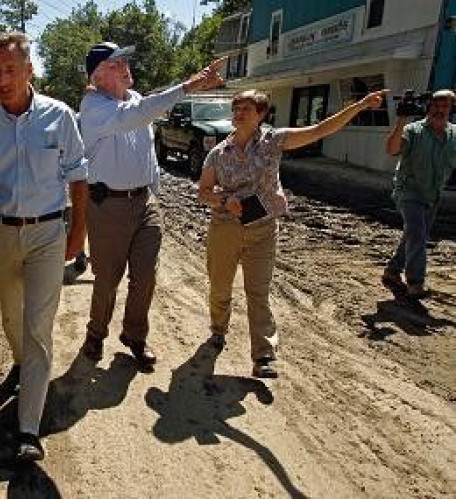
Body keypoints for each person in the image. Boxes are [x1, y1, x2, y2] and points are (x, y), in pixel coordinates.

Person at [198, 88, 386, 378]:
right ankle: (218, 329)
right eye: (236, 108)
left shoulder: (274, 141)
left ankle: (263, 355)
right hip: (225, 229)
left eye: (246, 109)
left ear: (261, 115)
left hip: (263, 230)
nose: (238, 113)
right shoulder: (217, 153)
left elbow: (320, 129)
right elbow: (203, 193)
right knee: (220, 287)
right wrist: (225, 200)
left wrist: (358, 107)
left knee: (258, 293)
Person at [0, 31, 87, 461]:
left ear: (29, 70)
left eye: (11, 70)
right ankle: (21, 364)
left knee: (38, 327)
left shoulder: (59, 116)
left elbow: (78, 176)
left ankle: (27, 430)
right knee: (11, 314)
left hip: (47, 234)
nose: (2, 79)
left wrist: (78, 233)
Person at [78, 41, 226, 368]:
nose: (126, 66)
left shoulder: (134, 99)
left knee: (145, 277)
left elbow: (147, 151)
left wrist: (155, 192)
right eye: (117, 63)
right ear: (99, 75)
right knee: (107, 279)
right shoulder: (94, 108)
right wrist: (190, 85)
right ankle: (96, 333)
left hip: (144, 202)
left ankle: (134, 334)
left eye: (125, 60)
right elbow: (136, 115)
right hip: (108, 208)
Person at [382, 89, 456, 298]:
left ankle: (392, 271)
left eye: (445, 106)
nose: (440, 110)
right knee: (417, 234)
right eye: (436, 106)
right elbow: (392, 149)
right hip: (409, 191)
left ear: (450, 109)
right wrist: (402, 118)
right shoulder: (413, 130)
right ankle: (416, 282)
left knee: (414, 235)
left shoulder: (454, 135)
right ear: (428, 107)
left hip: (433, 194)